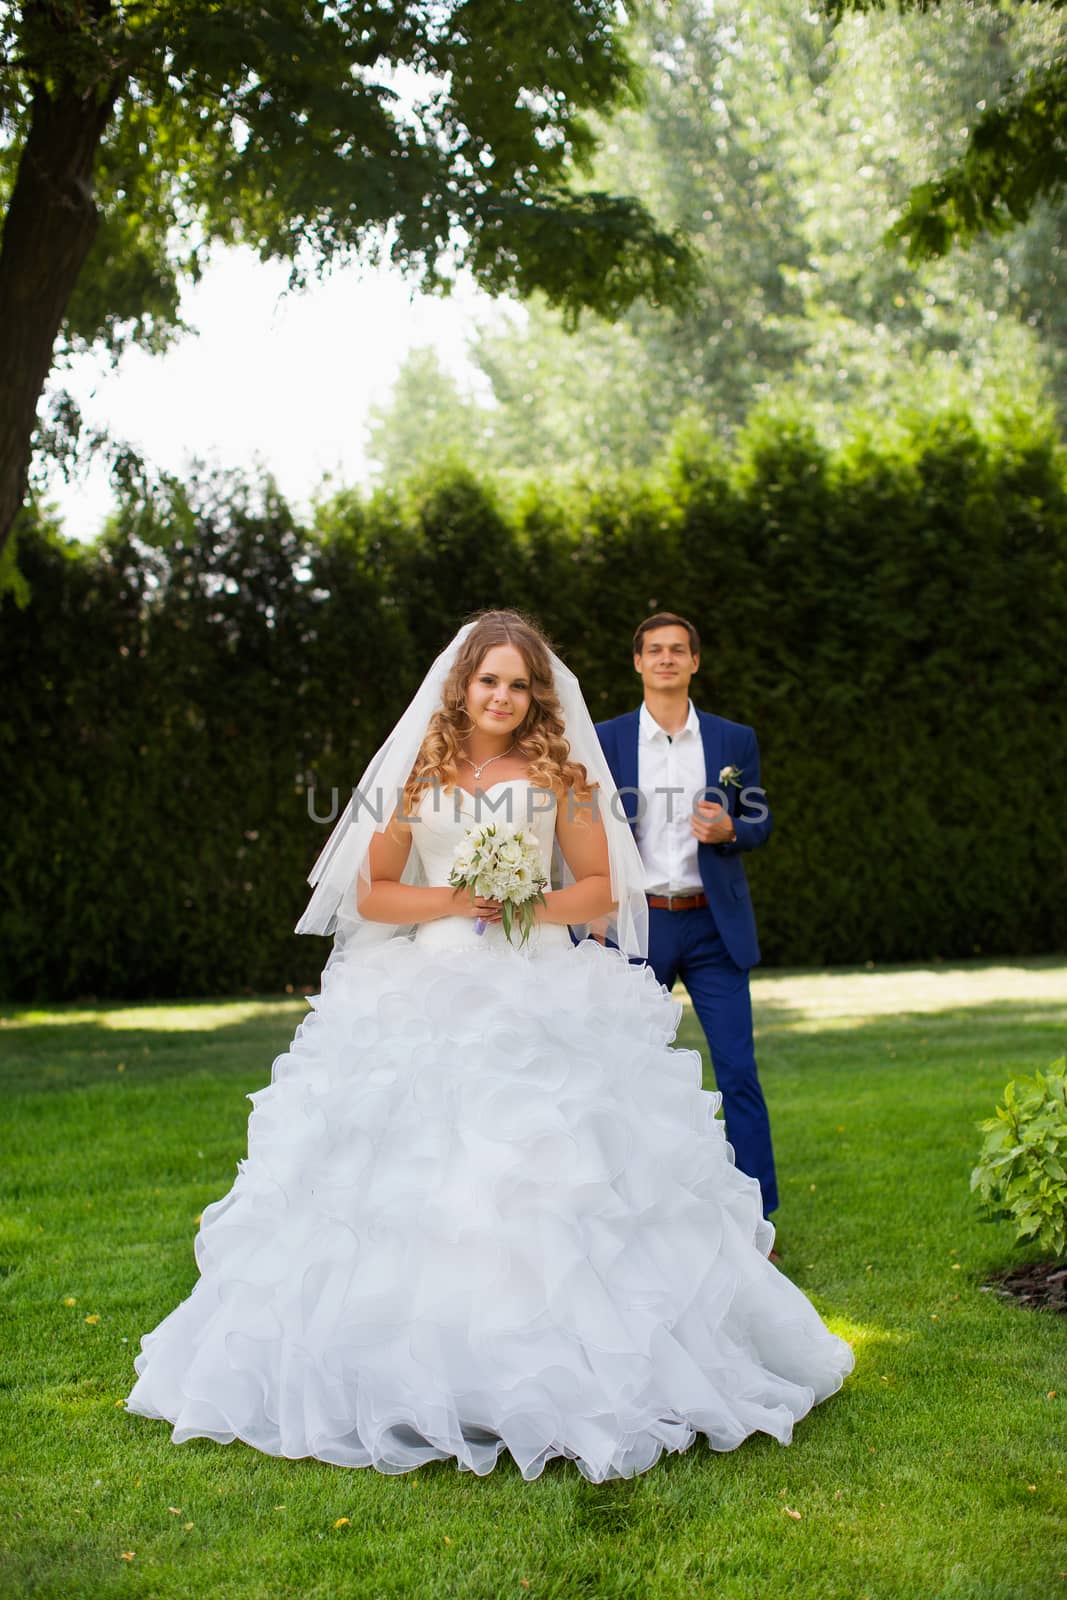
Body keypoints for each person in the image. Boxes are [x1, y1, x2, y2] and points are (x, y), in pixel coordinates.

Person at [125, 610, 851, 1483]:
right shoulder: (418, 772)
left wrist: (517, 902)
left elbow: (595, 891)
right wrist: (459, 900)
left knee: (551, 1175)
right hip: (423, 990)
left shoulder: (563, 775)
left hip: (540, 986)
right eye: (489, 681)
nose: (503, 697)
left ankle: (559, 1369)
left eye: (518, 683)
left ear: (535, 695)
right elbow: (377, 892)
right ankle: (408, 1372)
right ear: (460, 686)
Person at [596, 614, 778, 1221]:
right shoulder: (606, 739)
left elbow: (759, 819)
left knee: (738, 1075)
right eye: (655, 650)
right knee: (623, 1074)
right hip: (636, 925)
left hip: (712, 928)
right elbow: (581, 826)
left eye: (679, 650)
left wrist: (732, 829)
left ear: (695, 662)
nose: (667, 659)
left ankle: (760, 1219)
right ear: (638, 662)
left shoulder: (733, 740)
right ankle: (626, 1214)